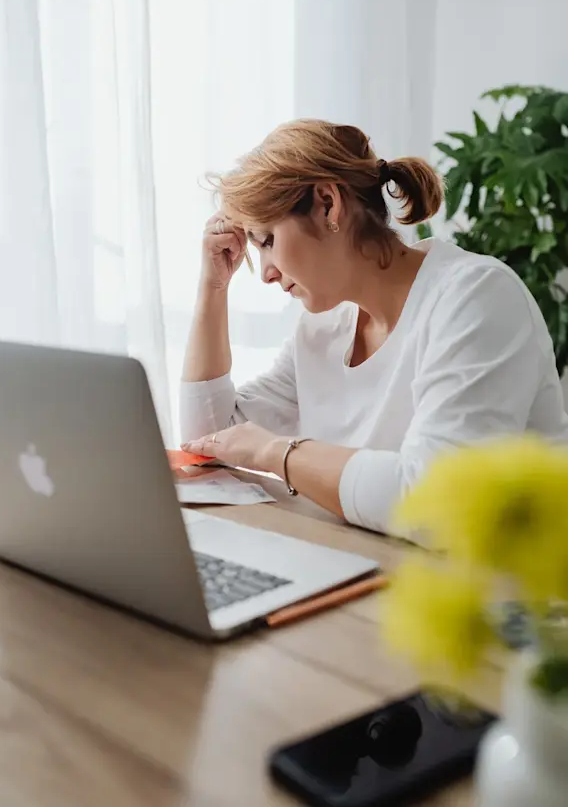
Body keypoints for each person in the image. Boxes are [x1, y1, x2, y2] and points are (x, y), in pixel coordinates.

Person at [180, 119, 568, 536]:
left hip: (506, 590)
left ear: (328, 203)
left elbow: (437, 504)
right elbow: (209, 440)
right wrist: (212, 287)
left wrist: (278, 454)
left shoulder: (477, 296)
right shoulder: (323, 327)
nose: (267, 274)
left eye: (269, 240)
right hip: (377, 571)